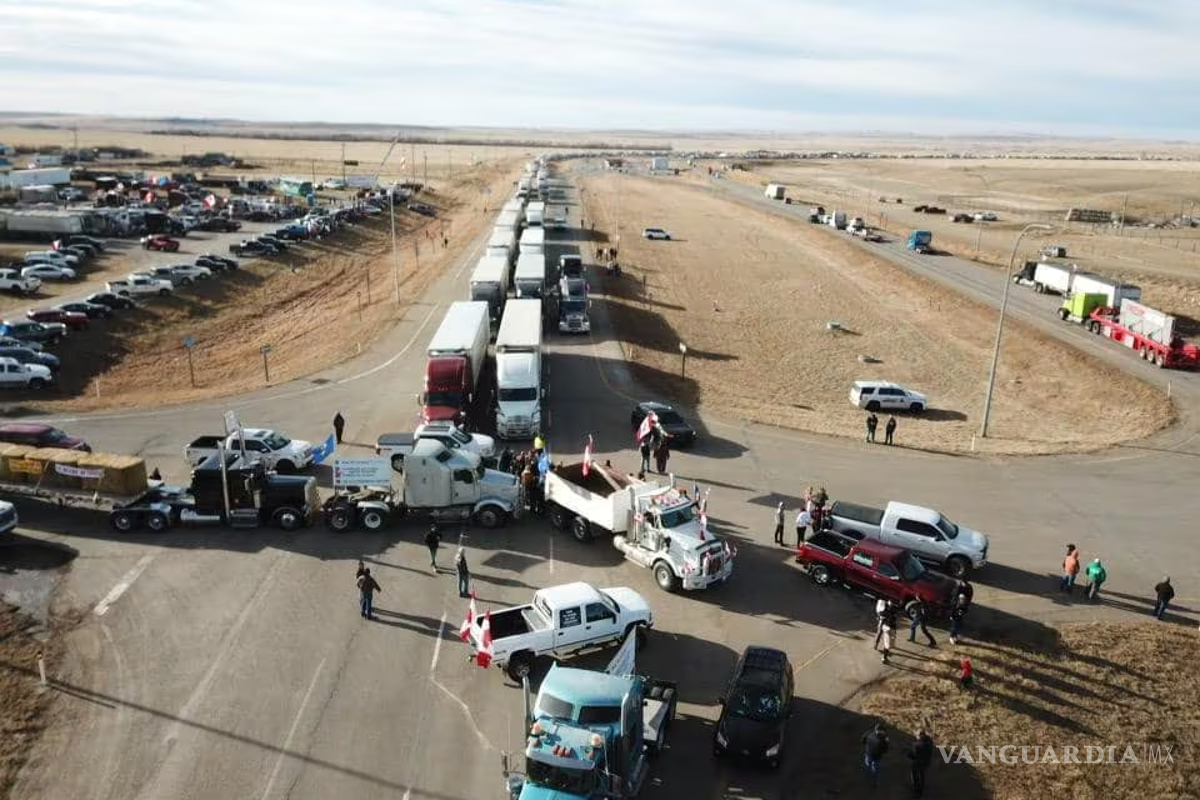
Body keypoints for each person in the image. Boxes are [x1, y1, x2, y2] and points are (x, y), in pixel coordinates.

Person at [861, 722, 889, 789]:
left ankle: (867, 779)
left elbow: (862, 740)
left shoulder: (869, 733)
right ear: (881, 731)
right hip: (876, 757)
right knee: (875, 770)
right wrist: (887, 743)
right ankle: (873, 783)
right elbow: (885, 751)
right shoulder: (883, 740)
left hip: (868, 754)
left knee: (867, 766)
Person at [908, 727, 934, 797]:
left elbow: (913, 754)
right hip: (926, 761)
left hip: (917, 762)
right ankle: (921, 788)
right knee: (922, 774)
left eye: (917, 735)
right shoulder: (929, 741)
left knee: (915, 775)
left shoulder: (917, 745)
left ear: (919, 735)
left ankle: (917, 789)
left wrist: (909, 755)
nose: (916, 737)